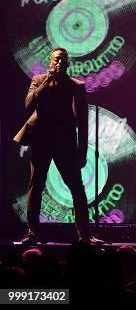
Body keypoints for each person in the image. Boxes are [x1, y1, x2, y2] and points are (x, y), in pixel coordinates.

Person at [14, 47, 99, 244]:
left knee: (77, 189)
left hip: (65, 143)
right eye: (56, 59)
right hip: (41, 140)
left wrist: (83, 151)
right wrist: (46, 81)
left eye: (63, 60)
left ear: (68, 63)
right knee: (36, 187)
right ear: (50, 62)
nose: (59, 63)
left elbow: (83, 121)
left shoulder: (75, 86)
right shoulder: (38, 81)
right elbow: (28, 105)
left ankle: (85, 236)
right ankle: (32, 234)